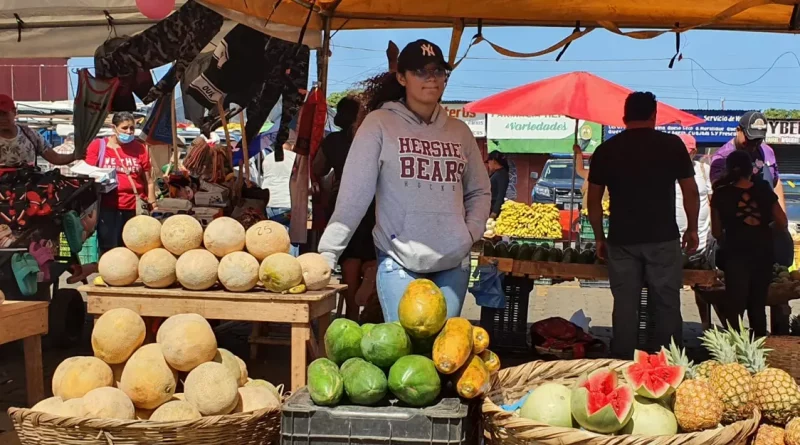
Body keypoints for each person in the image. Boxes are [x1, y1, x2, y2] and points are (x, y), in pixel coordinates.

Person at [317, 39, 491, 322]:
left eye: (438, 71)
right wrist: (327, 254)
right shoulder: (379, 124)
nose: (431, 78)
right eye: (420, 72)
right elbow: (354, 195)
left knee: (445, 357)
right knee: (403, 354)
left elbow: (480, 191)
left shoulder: (459, 132)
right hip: (397, 261)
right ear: (401, 77)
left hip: (453, 264)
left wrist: (469, 233)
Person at [587, 92, 699, 359]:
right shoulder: (672, 146)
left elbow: (593, 200)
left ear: (624, 116)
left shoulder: (607, 150)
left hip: (621, 241)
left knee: (626, 306)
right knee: (666, 304)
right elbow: (690, 192)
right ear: (654, 115)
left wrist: (599, 238)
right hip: (662, 239)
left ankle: (623, 362)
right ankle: (670, 363)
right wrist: (692, 228)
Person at [709, 110, 792, 334]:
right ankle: (761, 342)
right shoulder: (722, 160)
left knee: (736, 302)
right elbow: (781, 219)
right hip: (761, 249)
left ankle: (736, 342)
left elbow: (717, 229)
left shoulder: (722, 194)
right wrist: (771, 224)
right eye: (750, 138)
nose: (754, 144)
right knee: (757, 303)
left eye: (759, 139)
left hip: (737, 250)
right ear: (738, 131)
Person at [313, 96, 378, 321]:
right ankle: (370, 281)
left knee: (349, 258)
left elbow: (318, 168)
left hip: (344, 203)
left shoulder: (333, 141)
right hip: (374, 204)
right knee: (371, 254)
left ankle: (350, 312)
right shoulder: (372, 138)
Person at [85, 112, 156, 254]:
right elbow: (87, 174)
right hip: (107, 207)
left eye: (132, 128)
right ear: (114, 128)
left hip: (134, 207)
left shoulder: (140, 149)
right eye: (124, 128)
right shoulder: (98, 146)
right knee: (109, 247)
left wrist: (153, 204)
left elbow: (149, 180)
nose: (129, 132)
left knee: (134, 247)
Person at [674, 134, 718, 330]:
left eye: (685, 150)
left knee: (703, 287)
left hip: (701, 241)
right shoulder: (666, 172)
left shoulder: (703, 170)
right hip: (673, 240)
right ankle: (672, 326)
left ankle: (706, 325)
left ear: (693, 151)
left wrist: (714, 231)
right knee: (670, 285)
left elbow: (712, 201)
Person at [0, 94, 75, 167]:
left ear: (14, 112)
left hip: (29, 179)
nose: (1, 118)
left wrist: (75, 156)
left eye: (4, 114)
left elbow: (55, 158)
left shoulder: (30, 134)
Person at [261, 133, 299, 256]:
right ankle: (292, 265)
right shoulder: (295, 158)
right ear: (292, 146)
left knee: (275, 238)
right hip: (289, 203)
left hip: (270, 203)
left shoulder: (267, 158)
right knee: (292, 239)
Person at [486, 151, 509, 219]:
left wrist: (494, 212)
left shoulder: (502, 174)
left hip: (496, 211)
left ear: (493, 161)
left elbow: (501, 194)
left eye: (488, 162)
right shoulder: (497, 173)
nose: (488, 165)